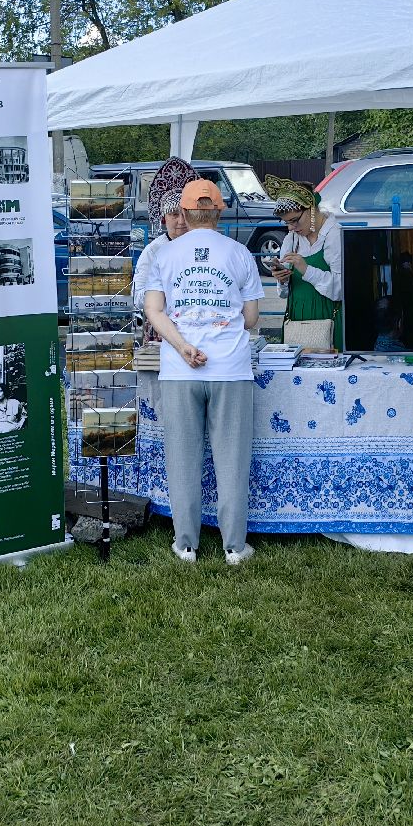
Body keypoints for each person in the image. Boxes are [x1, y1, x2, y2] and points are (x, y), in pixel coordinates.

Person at [144, 179, 264, 566]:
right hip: (230, 367)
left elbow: (154, 311)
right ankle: (234, 546)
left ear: (183, 212)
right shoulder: (241, 254)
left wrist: (182, 347)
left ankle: (186, 544)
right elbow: (250, 318)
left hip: (179, 369)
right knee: (232, 458)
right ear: (219, 210)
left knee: (181, 457)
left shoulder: (164, 255)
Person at [264, 176, 343, 351]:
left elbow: (339, 289)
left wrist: (306, 269)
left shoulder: (333, 235)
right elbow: (284, 294)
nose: (291, 228)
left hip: (327, 316)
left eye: (294, 220)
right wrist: (282, 279)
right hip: (296, 319)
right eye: (286, 222)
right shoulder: (292, 239)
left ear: (311, 210)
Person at [133, 157, 198, 315]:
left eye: (185, 214)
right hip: (164, 325)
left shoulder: (201, 245)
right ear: (164, 218)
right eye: (174, 214)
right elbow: (137, 297)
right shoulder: (153, 251)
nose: (181, 221)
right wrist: (169, 291)